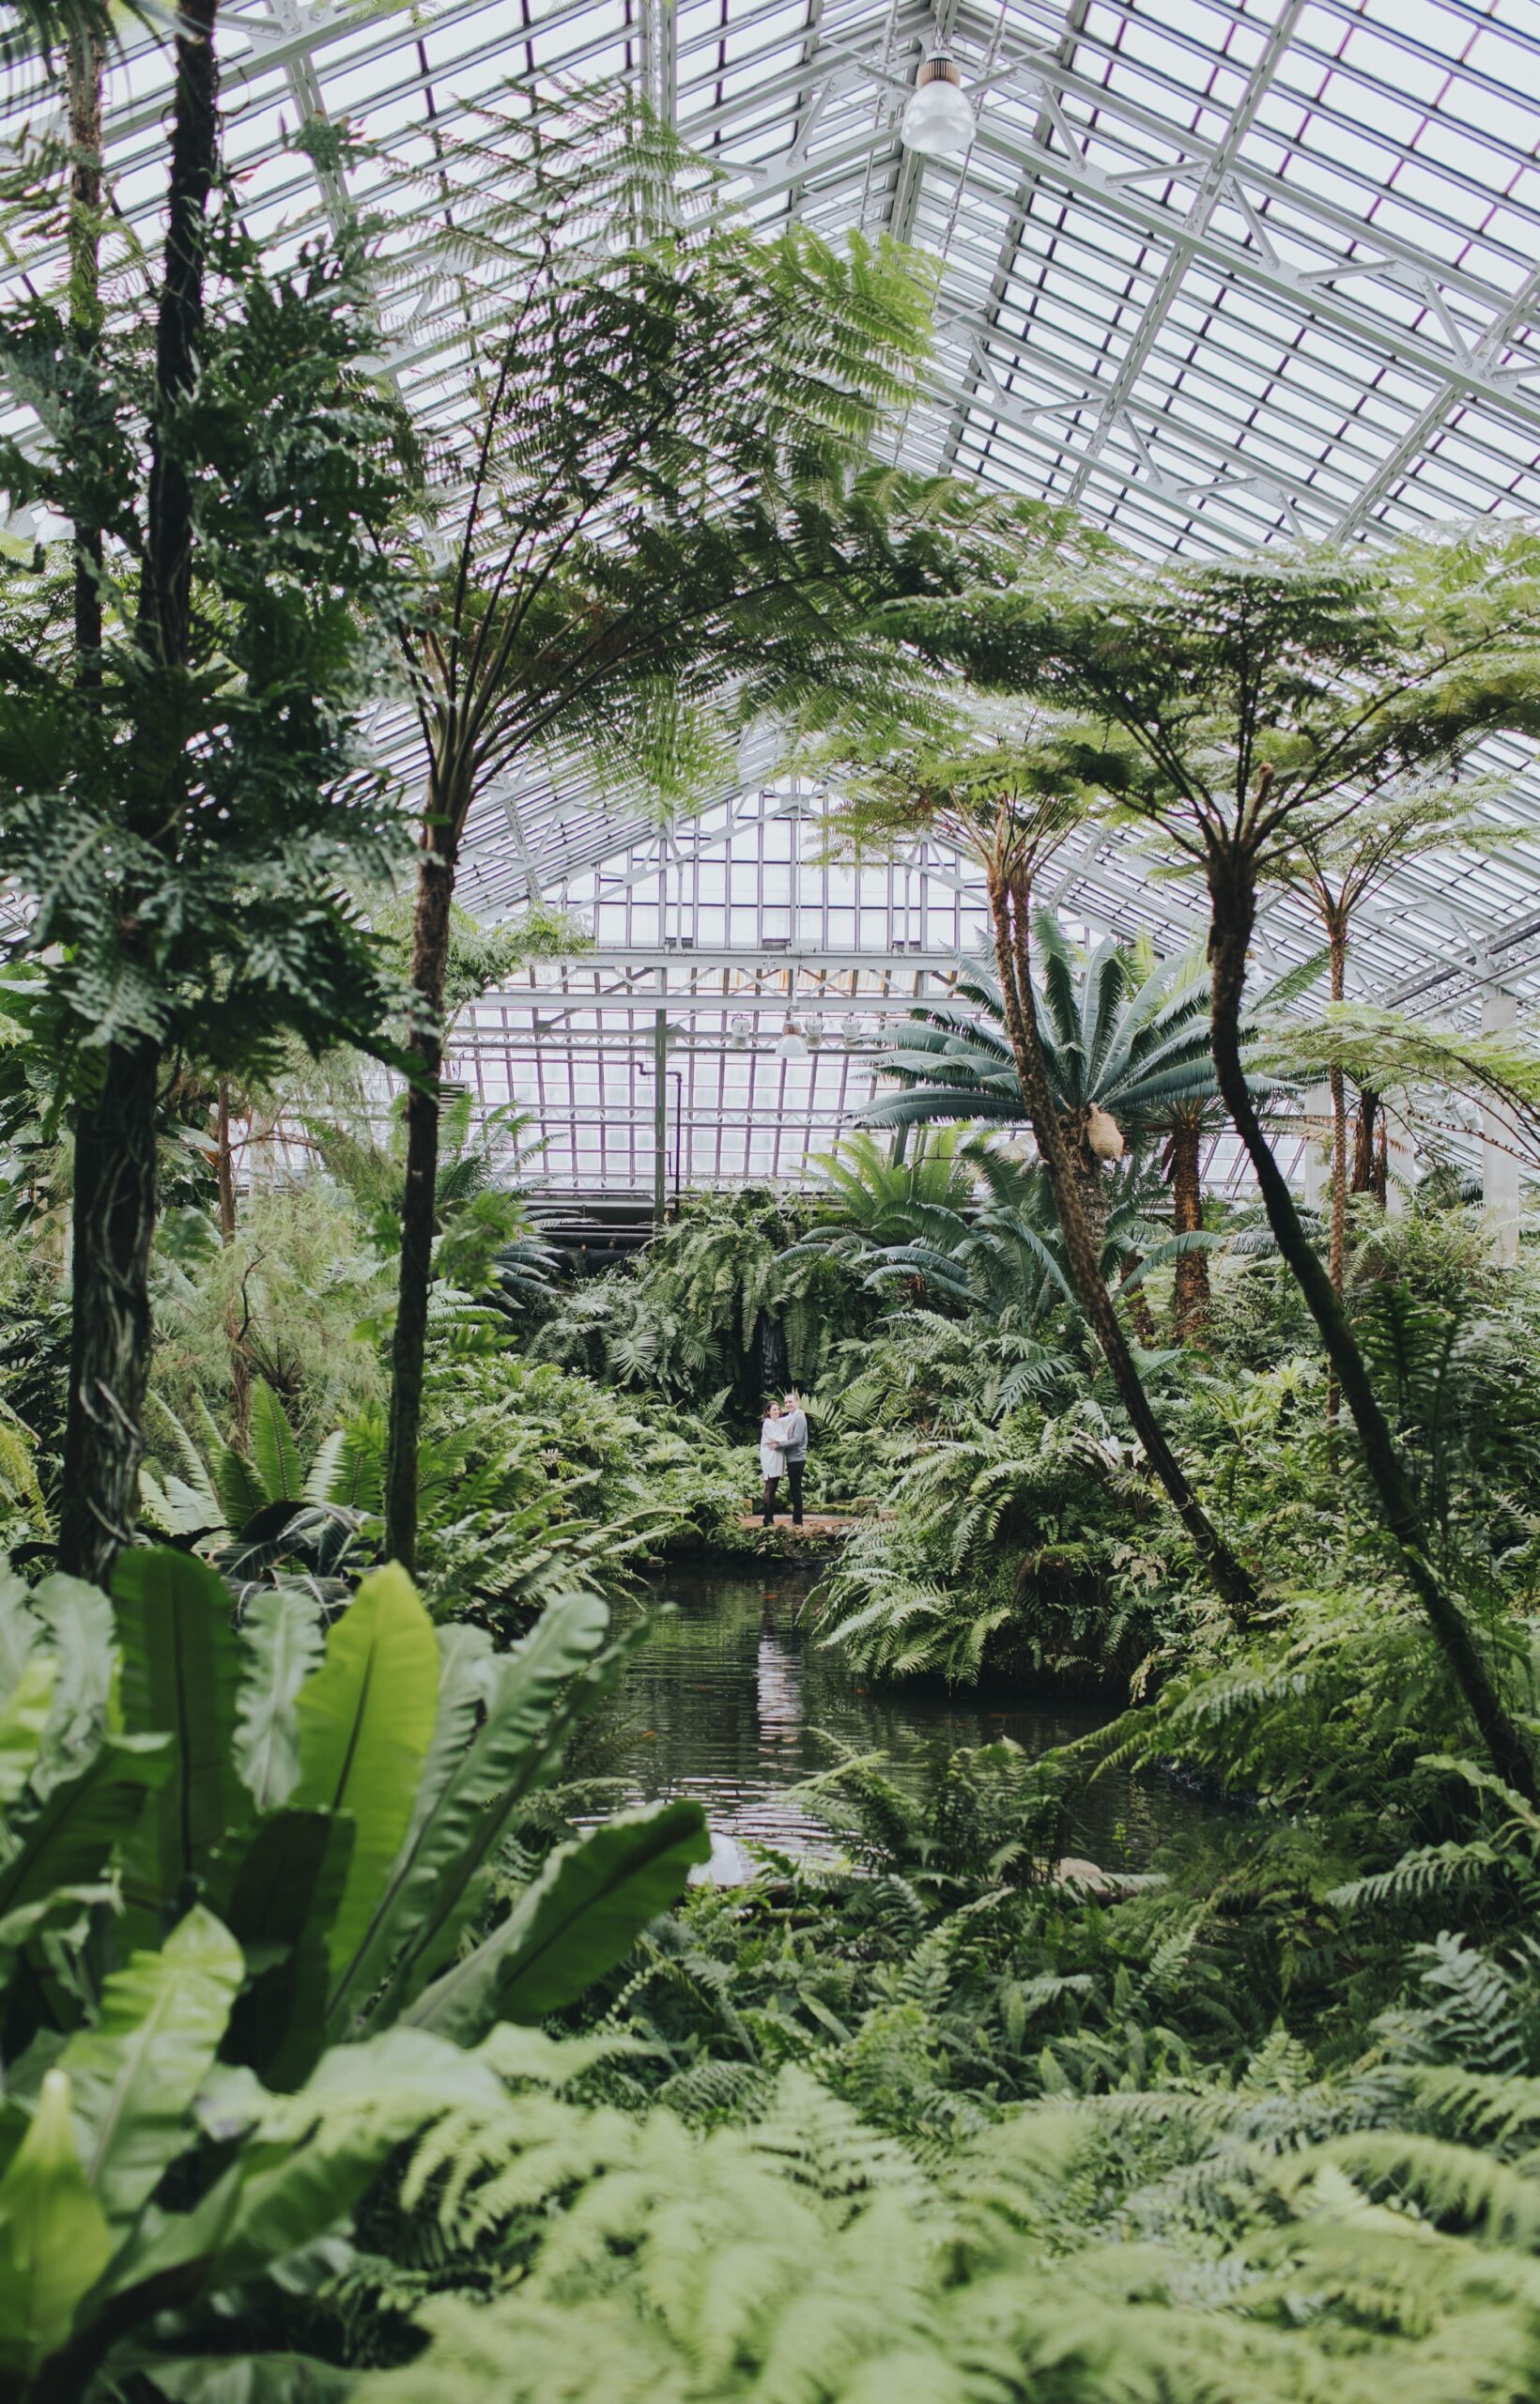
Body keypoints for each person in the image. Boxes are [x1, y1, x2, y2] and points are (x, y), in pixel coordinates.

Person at [779, 1389, 808, 1527]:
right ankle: (796, 1520)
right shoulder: (791, 1416)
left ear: (797, 1402)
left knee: (795, 1489)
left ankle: (798, 1521)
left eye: (790, 1401)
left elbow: (797, 1439)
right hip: (792, 1458)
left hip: (797, 1458)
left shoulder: (799, 1416)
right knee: (793, 1489)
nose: (788, 1404)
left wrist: (779, 1445)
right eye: (785, 1402)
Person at [760, 1399, 788, 1527]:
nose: (777, 1411)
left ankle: (770, 1517)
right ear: (768, 1412)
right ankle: (767, 1518)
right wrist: (783, 1439)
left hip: (777, 1457)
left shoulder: (778, 1422)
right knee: (769, 1487)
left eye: (778, 1409)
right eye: (774, 1409)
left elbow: (782, 1438)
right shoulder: (768, 1423)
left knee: (774, 1488)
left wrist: (781, 1440)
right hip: (770, 1458)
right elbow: (779, 1438)